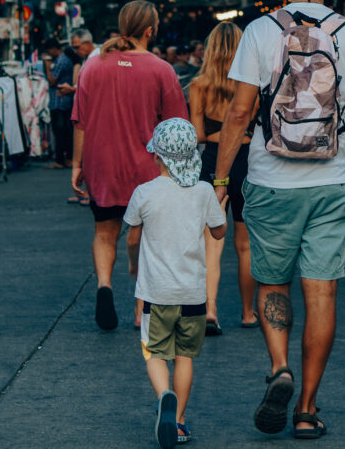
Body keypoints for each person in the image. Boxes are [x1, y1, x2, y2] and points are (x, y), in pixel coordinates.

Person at [214, 0, 345, 438]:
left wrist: (221, 180)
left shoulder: (259, 32)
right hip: (334, 181)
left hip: (271, 180)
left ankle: (280, 369)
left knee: (273, 282)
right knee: (322, 292)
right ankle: (307, 410)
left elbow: (238, 112)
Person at [71, 0, 188, 331]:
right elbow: (177, 126)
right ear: (150, 30)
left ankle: (104, 286)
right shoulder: (162, 69)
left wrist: (77, 165)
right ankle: (141, 310)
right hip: (146, 167)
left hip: (101, 162)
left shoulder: (93, 66)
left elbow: (79, 120)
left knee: (104, 231)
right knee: (147, 238)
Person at [125, 118, 227, 448]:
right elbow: (219, 231)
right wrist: (218, 208)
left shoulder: (144, 193)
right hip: (194, 294)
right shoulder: (202, 192)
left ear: (157, 156)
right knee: (185, 357)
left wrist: (133, 265)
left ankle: (163, 395)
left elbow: (131, 238)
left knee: (154, 352)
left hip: (156, 292)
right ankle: (180, 421)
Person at [189, 22, 257, 333]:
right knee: (245, 246)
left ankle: (210, 309)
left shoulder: (198, 85)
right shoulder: (251, 83)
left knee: (210, 244)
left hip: (212, 164)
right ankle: (247, 313)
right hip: (245, 162)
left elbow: (198, 134)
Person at [43, 37, 75, 169]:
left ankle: (61, 159)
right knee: (65, 131)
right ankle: (66, 158)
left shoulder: (61, 61)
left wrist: (46, 66)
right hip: (62, 101)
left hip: (59, 101)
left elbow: (52, 81)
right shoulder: (63, 60)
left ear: (53, 49)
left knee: (60, 131)